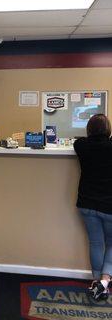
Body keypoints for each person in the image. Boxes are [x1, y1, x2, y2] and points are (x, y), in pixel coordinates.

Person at [74, 113, 112, 301]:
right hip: (109, 206)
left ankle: (97, 282)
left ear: (89, 129)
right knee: (111, 243)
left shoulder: (80, 146)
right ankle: (104, 282)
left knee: (96, 243)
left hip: (86, 203)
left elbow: (80, 141)